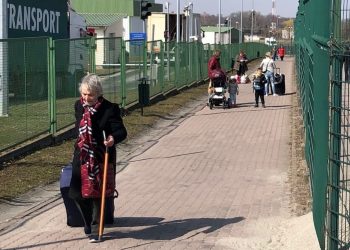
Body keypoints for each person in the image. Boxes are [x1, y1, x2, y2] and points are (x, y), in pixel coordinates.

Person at [69, 73, 127, 241]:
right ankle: (87, 221)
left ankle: (95, 229)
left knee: (97, 194)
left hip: (101, 156)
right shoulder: (78, 106)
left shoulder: (110, 108)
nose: (86, 98)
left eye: (91, 95)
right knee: (76, 193)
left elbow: (121, 131)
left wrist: (112, 138)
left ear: (98, 94)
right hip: (82, 155)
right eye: (84, 94)